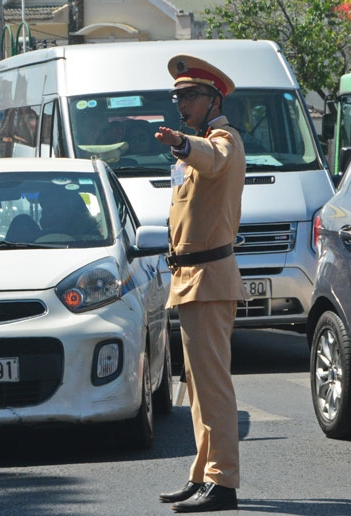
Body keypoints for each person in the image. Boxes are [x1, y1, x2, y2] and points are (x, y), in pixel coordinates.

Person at [154, 54, 247, 513]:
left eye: (190, 95)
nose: (182, 103)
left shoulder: (221, 140)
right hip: (192, 278)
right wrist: (185, 147)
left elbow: (212, 159)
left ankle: (223, 482)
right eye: (178, 96)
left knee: (212, 386)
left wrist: (185, 146)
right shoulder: (198, 144)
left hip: (209, 278)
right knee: (197, 389)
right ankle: (204, 473)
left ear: (214, 99)